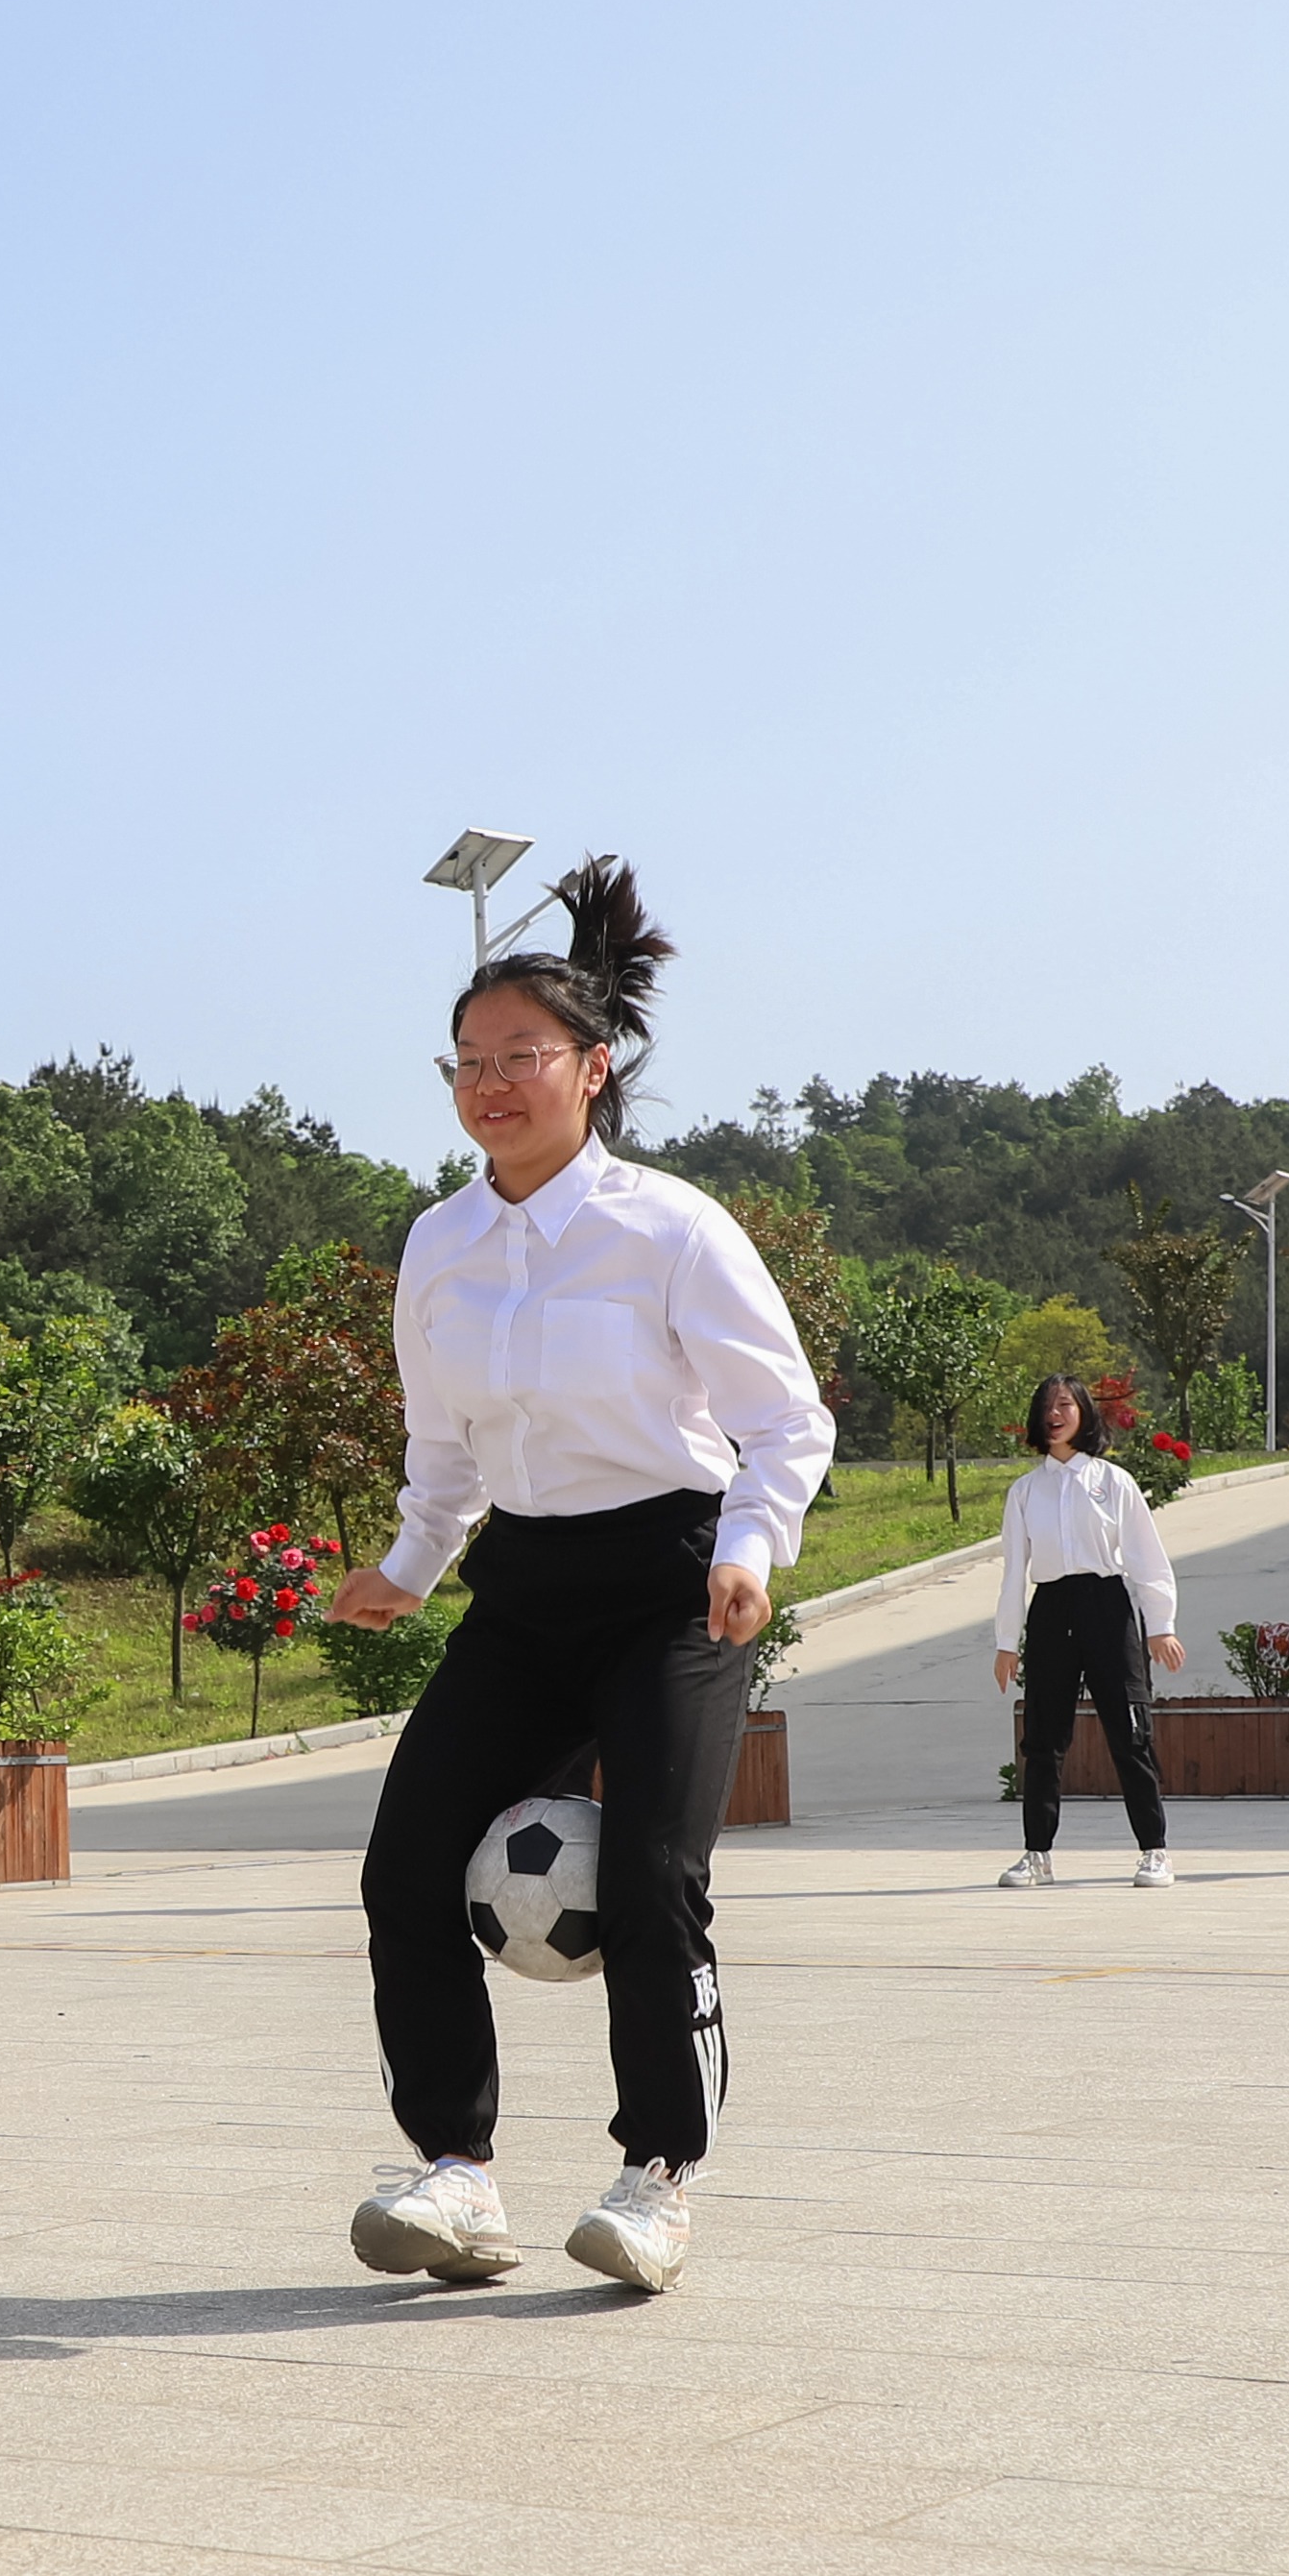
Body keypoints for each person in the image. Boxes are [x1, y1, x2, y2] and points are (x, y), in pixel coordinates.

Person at [322, 863, 832, 2297]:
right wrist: (408, 1570)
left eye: (520, 1059)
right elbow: (445, 1447)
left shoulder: (669, 1227)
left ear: (592, 1070)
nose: (490, 1085)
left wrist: (750, 1550)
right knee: (404, 1866)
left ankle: (658, 2177)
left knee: (657, 1872)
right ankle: (456, 2175)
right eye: (467, 1064)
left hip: (673, 1579)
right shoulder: (439, 1242)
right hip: (529, 1588)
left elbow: (785, 1420)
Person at [991, 1374, 1180, 1889]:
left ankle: (1154, 1850)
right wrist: (1007, 1641)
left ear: (1084, 1414)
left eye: (1066, 1404)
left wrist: (1160, 1625)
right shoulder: (1026, 1491)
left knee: (1129, 1730)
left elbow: (1146, 1555)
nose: (1056, 1413)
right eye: (1047, 1405)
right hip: (1051, 1608)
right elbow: (1014, 1571)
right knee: (1043, 1739)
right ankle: (1037, 1854)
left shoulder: (1112, 1482)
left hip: (1107, 1605)